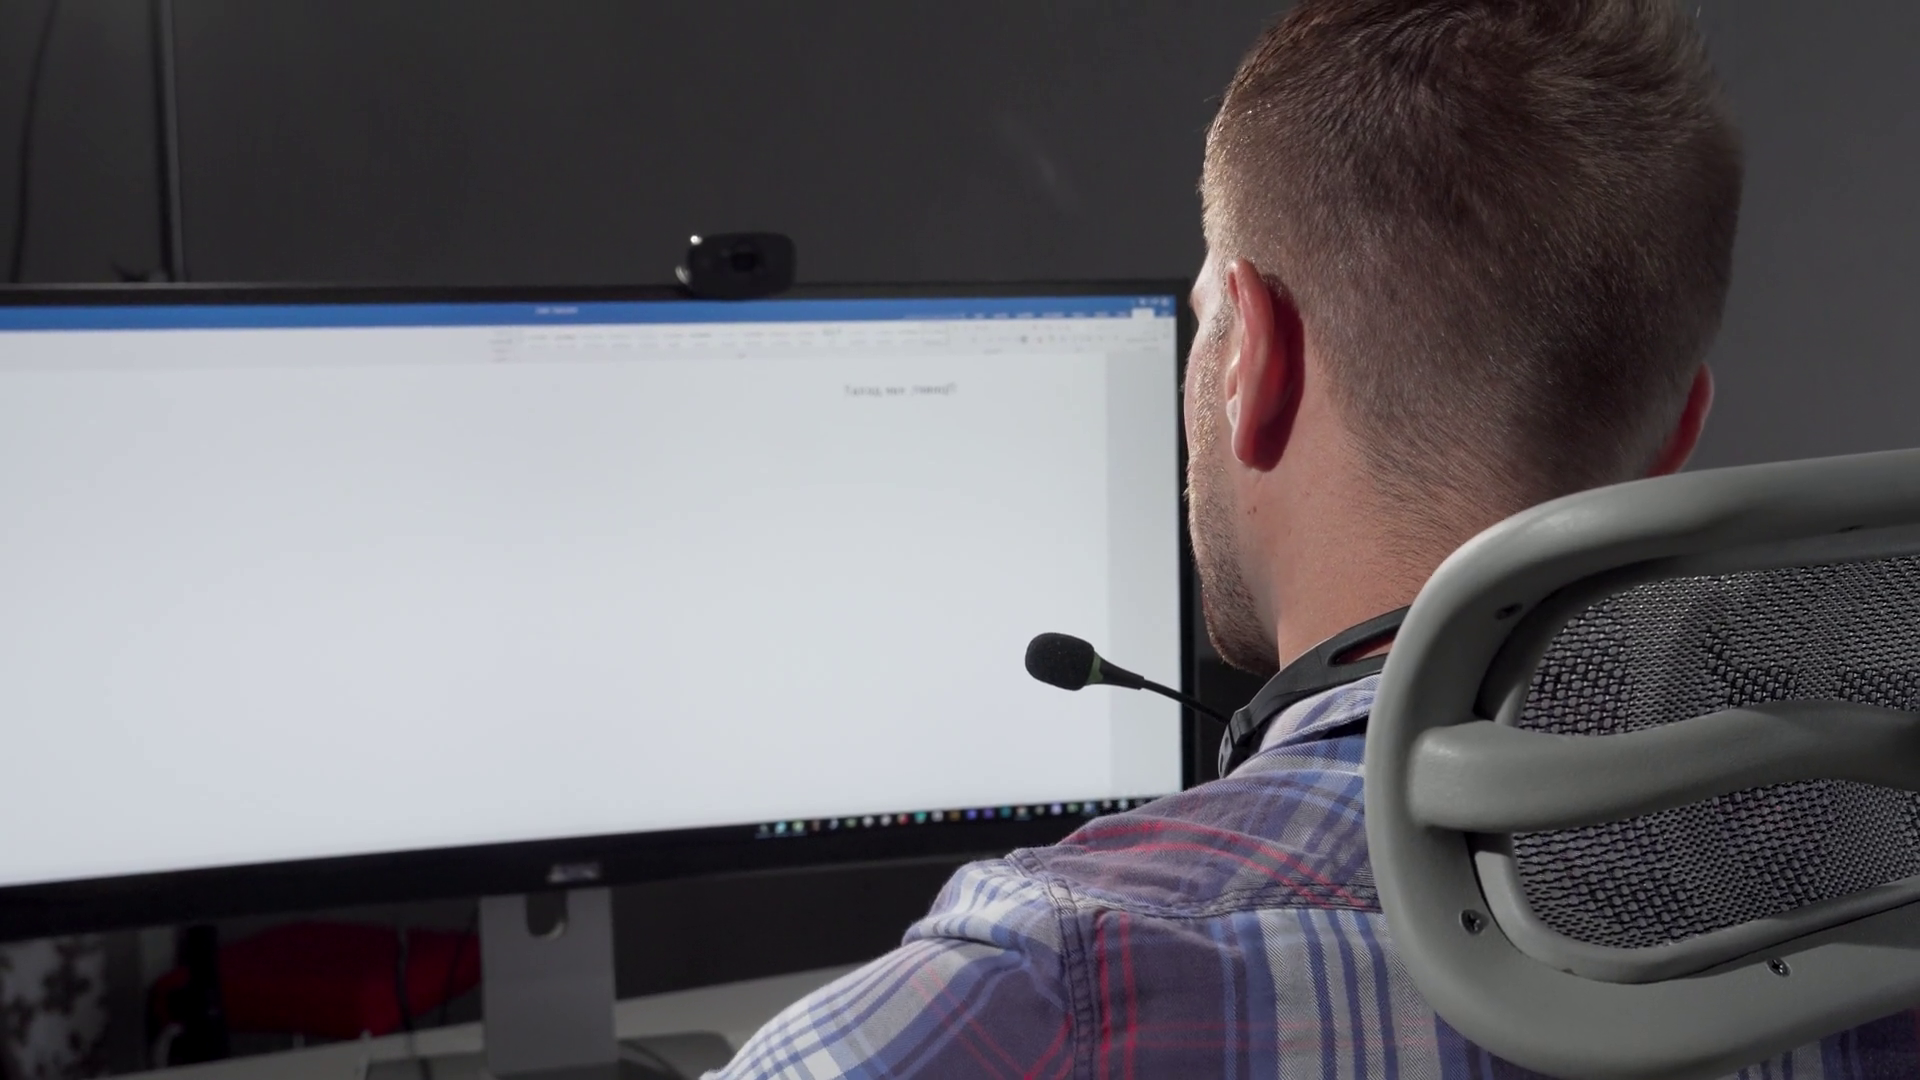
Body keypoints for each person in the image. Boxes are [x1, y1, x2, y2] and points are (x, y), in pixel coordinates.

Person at [714, 1, 1918, 1076]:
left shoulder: (1042, 1000)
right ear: (1678, 434)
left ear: (1252, 356)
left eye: (1205, 323)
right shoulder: (1877, 902)